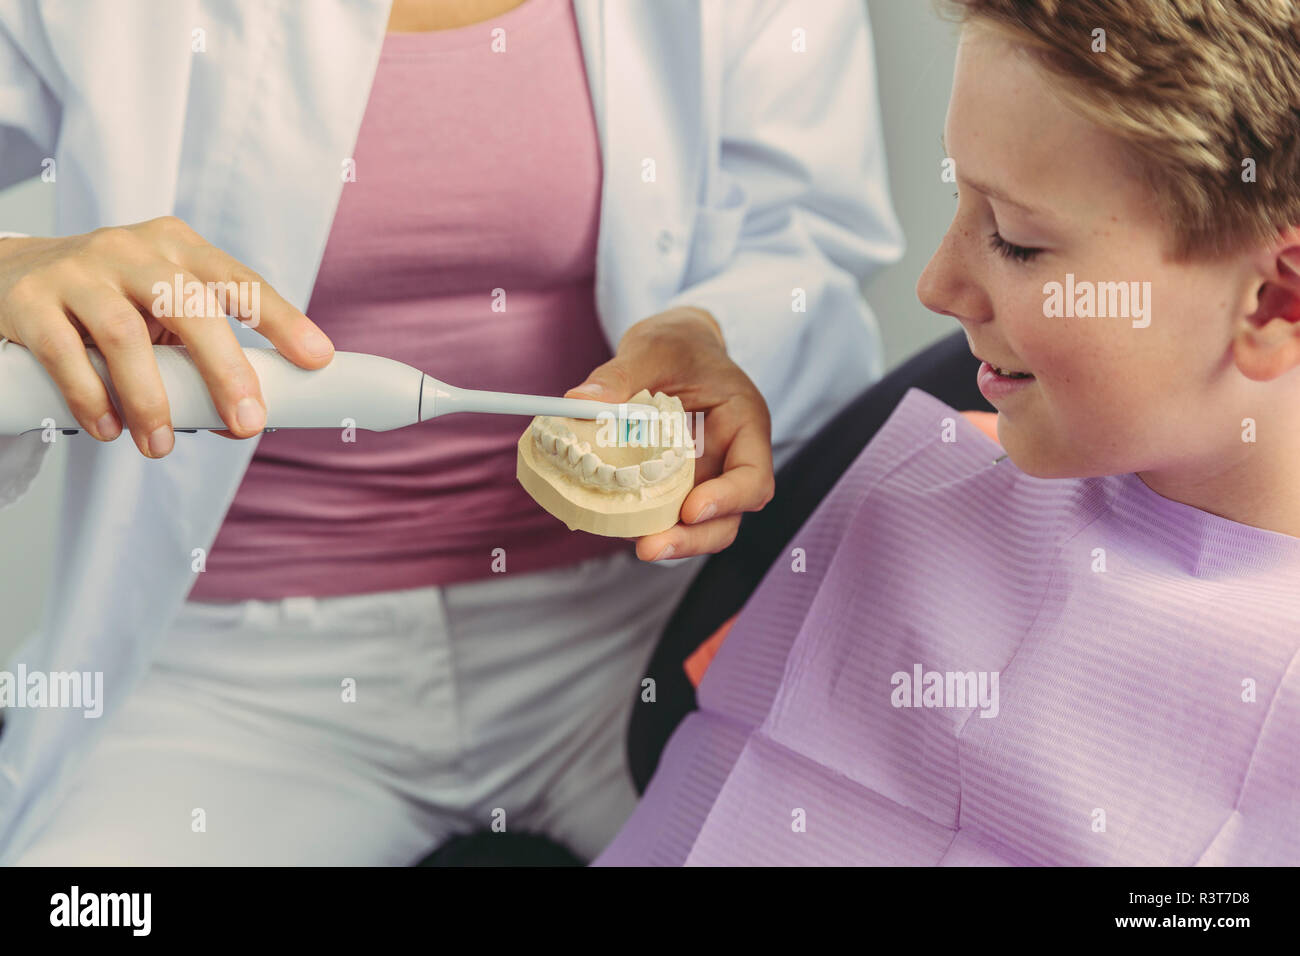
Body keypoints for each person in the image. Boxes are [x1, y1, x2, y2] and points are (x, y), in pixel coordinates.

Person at [0, 0, 903, 864]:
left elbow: (809, 236)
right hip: (240, 673)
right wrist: (13, 266)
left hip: (637, 634)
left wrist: (712, 333)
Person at [597, 0, 1300, 866]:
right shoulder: (916, 497)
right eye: (960, 199)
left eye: (1016, 241)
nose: (935, 284)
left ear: (1275, 301)